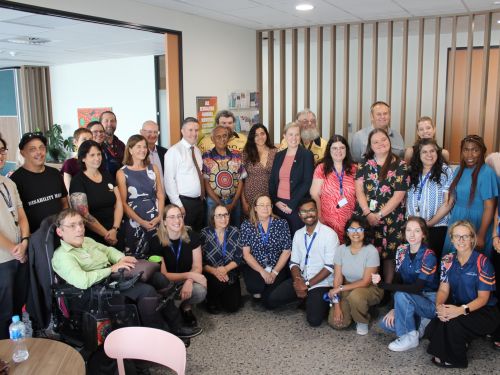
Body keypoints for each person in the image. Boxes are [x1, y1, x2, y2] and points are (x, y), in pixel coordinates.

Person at [51, 208, 201, 339]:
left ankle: (176, 325)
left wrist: (121, 258)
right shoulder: (62, 256)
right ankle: (160, 336)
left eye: (80, 223)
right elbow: (83, 280)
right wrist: (111, 269)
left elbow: (108, 250)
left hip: (113, 276)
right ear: (60, 231)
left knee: (159, 278)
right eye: (72, 225)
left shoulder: (87, 241)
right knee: (146, 291)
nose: (79, 229)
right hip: (96, 291)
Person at [426, 221, 499, 368]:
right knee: (434, 325)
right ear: (451, 239)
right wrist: (439, 306)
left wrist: (459, 311)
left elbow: (483, 299)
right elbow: (443, 290)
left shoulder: (483, 262)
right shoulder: (447, 260)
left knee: (453, 322)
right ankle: (460, 343)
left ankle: (455, 359)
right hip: (460, 306)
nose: (461, 240)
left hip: (484, 311)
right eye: (457, 236)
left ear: (472, 239)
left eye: (465, 236)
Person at [266, 198, 338, 326]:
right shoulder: (298, 234)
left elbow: (329, 267)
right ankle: (306, 297)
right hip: (302, 278)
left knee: (314, 321)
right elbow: (294, 263)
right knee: (271, 300)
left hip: (321, 283)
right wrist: (298, 280)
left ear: (317, 212)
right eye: (304, 212)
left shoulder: (329, 235)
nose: (308, 214)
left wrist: (307, 285)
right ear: (299, 215)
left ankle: (319, 300)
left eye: (311, 210)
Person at [373, 217, 439, 351]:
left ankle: (409, 337)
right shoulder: (402, 250)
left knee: (401, 295)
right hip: (409, 298)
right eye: (408, 230)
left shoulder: (429, 255)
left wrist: (383, 285)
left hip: (429, 301)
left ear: (424, 234)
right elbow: (398, 280)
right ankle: (419, 325)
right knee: (385, 324)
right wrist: (394, 308)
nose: (412, 234)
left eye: (417, 231)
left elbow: (416, 288)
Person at [355, 129, 409, 284]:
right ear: (370, 146)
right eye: (375, 142)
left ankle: (386, 288)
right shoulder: (364, 164)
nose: (380, 144)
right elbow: (359, 191)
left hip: (391, 217)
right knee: (368, 252)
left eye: (383, 140)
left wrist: (378, 215)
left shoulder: (400, 165)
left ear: (389, 141)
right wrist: (367, 213)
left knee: (389, 255)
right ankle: (369, 286)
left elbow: (399, 195)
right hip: (366, 215)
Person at [150, 204, 207, 327]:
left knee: (200, 291)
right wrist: (190, 275)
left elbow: (197, 266)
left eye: (179, 216)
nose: (177, 220)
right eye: (171, 217)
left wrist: (190, 280)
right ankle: (172, 308)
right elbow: (164, 276)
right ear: (164, 222)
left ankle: (185, 307)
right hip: (167, 284)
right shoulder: (156, 241)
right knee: (168, 320)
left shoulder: (191, 235)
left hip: (184, 281)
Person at [442, 135, 498, 258]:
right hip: (457, 219)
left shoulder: (487, 173)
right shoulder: (458, 170)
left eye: (475, 150)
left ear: (482, 152)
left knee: (472, 264)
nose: (470, 155)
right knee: (451, 260)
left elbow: (489, 207)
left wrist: (481, 235)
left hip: (477, 222)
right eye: (466, 150)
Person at [327, 216, 382, 335]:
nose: (355, 233)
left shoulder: (371, 251)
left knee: (356, 297)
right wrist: (337, 307)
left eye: (359, 229)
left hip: (369, 288)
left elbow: (366, 282)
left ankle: (362, 320)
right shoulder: (341, 250)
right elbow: (337, 279)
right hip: (348, 286)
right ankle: (357, 310)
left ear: (365, 231)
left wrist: (340, 288)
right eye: (352, 229)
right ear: (347, 232)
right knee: (337, 323)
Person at [0, 135, 30, 339]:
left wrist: (25, 241)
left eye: (2, 150)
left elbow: (20, 214)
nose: (1, 155)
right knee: (3, 312)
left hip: (20, 253)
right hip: (3, 259)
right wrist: (13, 248)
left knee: (17, 310)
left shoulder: (8, 183)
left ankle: (17, 350)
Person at [239, 194, 291, 308]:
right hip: (256, 266)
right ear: (255, 208)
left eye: (268, 205)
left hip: (276, 265)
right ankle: (260, 289)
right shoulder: (247, 225)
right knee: (255, 287)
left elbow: (287, 251)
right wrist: (262, 272)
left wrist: (274, 272)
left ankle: (267, 291)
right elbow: (246, 254)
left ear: (272, 207)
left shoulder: (281, 223)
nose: (265, 208)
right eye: (261, 205)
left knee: (269, 302)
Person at [10, 132, 68, 233]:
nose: (39, 152)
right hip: (36, 239)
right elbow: (15, 217)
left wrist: (66, 226)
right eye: (32, 149)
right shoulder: (15, 180)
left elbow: (64, 203)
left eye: (42, 148)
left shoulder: (55, 173)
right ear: (22, 153)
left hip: (61, 233)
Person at [69, 140, 123, 248]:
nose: (97, 158)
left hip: (115, 231)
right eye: (92, 155)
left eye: (99, 154)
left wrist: (115, 229)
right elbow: (84, 215)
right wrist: (107, 235)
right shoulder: (77, 181)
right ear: (83, 158)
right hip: (94, 238)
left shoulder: (107, 175)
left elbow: (118, 203)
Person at [117, 135, 164, 256]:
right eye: (138, 147)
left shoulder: (153, 168)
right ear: (130, 150)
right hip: (135, 222)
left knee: (158, 254)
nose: (143, 150)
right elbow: (123, 203)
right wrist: (141, 222)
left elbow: (160, 193)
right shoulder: (122, 173)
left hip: (155, 219)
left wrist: (159, 216)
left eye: (145, 147)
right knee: (138, 257)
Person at [406, 138, 453, 259]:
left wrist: (430, 223)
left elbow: (448, 203)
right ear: (418, 155)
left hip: (437, 226)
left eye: (432, 151)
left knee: (432, 261)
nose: (429, 155)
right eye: (424, 152)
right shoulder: (411, 171)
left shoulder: (446, 171)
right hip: (413, 226)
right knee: (413, 259)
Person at [269, 122, 314, 236]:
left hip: (295, 206)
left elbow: (307, 182)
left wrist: (292, 204)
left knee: (296, 240)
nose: (294, 138)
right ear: (284, 136)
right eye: (290, 134)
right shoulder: (279, 155)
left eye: (297, 135)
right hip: (279, 206)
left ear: (300, 136)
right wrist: (276, 201)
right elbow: (272, 181)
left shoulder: (306, 155)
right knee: (280, 240)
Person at [310, 134, 357, 243]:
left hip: (350, 221)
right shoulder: (321, 168)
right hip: (327, 221)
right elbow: (314, 194)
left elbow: (360, 194)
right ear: (329, 150)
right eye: (334, 148)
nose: (338, 151)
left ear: (346, 149)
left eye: (342, 148)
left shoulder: (355, 168)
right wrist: (319, 217)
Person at [164, 117, 205, 232]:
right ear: (182, 131)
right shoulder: (174, 151)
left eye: (196, 130)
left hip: (199, 202)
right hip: (184, 203)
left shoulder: (196, 150)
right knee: (185, 237)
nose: (194, 133)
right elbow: (169, 180)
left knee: (197, 236)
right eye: (190, 130)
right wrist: (178, 205)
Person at [200, 205, 242, 314]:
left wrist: (225, 269)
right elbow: (200, 261)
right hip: (211, 273)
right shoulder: (205, 233)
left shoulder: (235, 232)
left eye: (226, 215)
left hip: (230, 272)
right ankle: (210, 300)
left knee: (233, 307)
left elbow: (239, 257)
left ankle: (220, 296)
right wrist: (215, 271)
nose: (223, 219)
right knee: (218, 284)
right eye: (219, 215)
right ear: (212, 217)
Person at [202, 126, 247, 227]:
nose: (222, 139)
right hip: (214, 201)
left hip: (234, 200)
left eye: (224, 136)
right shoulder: (206, 156)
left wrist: (234, 202)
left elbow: (240, 180)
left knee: (235, 229)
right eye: (218, 137)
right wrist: (220, 203)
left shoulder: (236, 155)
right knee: (213, 229)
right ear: (212, 139)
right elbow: (206, 183)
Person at [241, 123, 277, 216]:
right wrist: (244, 201)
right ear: (252, 137)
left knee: (269, 223)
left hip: (270, 195)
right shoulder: (246, 153)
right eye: (256, 135)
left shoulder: (275, 152)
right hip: (251, 196)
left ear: (266, 135)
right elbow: (240, 179)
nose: (260, 137)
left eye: (262, 133)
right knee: (253, 225)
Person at [61, 127, 93, 192]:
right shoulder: (69, 163)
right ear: (75, 142)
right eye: (84, 140)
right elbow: (69, 190)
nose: (88, 142)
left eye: (90, 139)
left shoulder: (96, 161)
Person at [140, 120, 167, 190]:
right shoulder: (137, 154)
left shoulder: (165, 152)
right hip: (145, 198)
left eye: (155, 132)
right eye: (149, 132)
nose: (153, 135)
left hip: (165, 198)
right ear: (141, 132)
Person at [100, 111, 125, 176]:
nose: (109, 124)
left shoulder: (121, 145)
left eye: (112, 121)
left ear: (116, 123)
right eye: (106, 121)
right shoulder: (97, 145)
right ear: (100, 123)